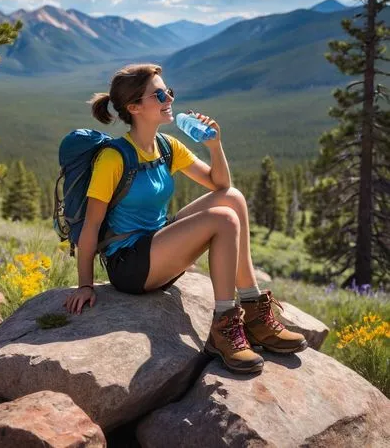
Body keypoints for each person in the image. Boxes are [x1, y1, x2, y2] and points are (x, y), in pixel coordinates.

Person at [64, 63, 307, 374]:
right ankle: (224, 326)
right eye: (160, 94)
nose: (170, 99)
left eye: (170, 92)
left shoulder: (166, 147)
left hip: (160, 245)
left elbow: (220, 185)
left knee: (233, 199)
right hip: (130, 265)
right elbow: (92, 226)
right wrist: (85, 285)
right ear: (135, 107)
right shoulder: (114, 157)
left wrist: (214, 146)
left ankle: (254, 311)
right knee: (223, 219)